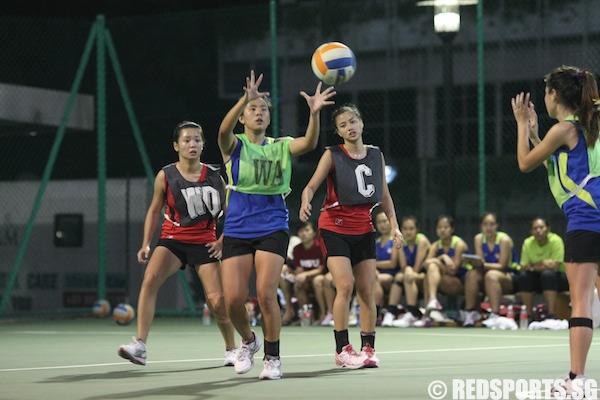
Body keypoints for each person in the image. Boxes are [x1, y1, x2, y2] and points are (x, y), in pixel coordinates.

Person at [217, 70, 335, 380]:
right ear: (243, 117)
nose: (259, 112)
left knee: (266, 293)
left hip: (272, 225)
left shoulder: (280, 145)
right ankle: (249, 341)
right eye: (253, 109)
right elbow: (221, 130)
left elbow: (309, 143)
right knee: (232, 301)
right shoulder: (235, 146)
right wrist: (246, 96)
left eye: (264, 109)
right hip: (238, 228)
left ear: (269, 118)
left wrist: (313, 113)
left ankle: (272, 357)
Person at [118, 121, 237, 366]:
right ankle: (140, 345)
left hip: (205, 244)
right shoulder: (166, 175)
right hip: (173, 241)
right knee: (150, 279)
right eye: (186, 140)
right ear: (176, 145)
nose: (192, 144)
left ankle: (232, 348)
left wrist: (223, 241)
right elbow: (154, 211)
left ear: (203, 145)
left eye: (197, 140)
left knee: (217, 301)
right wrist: (146, 244)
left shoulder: (215, 177)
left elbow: (233, 213)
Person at [512, 65, 600, 392]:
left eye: (546, 90)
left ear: (554, 95)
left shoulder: (563, 129)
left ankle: (576, 379)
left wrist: (522, 126)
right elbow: (564, 169)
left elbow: (524, 163)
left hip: (586, 224)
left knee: (581, 303)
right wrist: (537, 134)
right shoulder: (590, 126)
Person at [299, 103, 403, 369]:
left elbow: (384, 196)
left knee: (368, 290)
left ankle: (368, 348)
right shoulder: (333, 155)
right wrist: (305, 200)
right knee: (345, 285)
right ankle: (342, 349)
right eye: (343, 124)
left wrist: (395, 226)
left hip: (363, 228)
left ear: (362, 123)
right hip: (334, 227)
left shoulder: (376, 155)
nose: (350, 127)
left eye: (353, 121)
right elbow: (311, 185)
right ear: (338, 131)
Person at [463, 213, 520, 327]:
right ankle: (470, 312)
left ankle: (495, 314)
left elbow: (502, 266)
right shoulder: (479, 239)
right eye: (485, 224)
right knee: (471, 274)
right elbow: (480, 263)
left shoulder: (504, 240)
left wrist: (483, 265)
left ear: (497, 225)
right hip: (487, 275)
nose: (488, 228)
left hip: (509, 277)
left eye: (492, 224)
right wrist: (473, 263)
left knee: (491, 275)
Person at [417, 216, 468, 327]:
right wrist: (441, 258)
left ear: (452, 229)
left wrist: (437, 261)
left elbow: (454, 271)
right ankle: (429, 310)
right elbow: (426, 264)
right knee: (429, 272)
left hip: (460, 284)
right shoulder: (436, 245)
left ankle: (431, 305)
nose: (442, 230)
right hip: (444, 282)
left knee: (432, 267)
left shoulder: (459, 244)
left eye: (446, 227)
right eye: (439, 227)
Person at [279, 221, 329, 325]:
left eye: (307, 230)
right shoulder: (297, 249)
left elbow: (320, 269)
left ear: (314, 233)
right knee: (297, 285)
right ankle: (303, 314)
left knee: (317, 281)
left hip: (319, 278)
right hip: (305, 280)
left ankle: (323, 314)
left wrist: (305, 275)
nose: (304, 233)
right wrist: (295, 275)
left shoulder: (319, 246)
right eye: (301, 231)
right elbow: (299, 269)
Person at [518, 217, 567, 320]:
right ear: (531, 231)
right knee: (524, 277)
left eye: (541, 227)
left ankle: (551, 314)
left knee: (547, 275)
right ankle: (529, 315)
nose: (538, 231)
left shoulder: (556, 240)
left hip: (558, 278)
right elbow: (524, 267)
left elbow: (555, 266)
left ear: (548, 229)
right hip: (537, 278)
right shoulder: (528, 243)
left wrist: (533, 266)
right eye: (535, 228)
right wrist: (543, 263)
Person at [392, 216, 431, 327]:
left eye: (411, 228)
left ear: (417, 229)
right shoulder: (402, 241)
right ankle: (393, 312)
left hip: (425, 277)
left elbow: (417, 268)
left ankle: (413, 313)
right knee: (403, 275)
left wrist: (408, 270)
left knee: (407, 275)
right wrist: (408, 270)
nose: (408, 232)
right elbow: (404, 266)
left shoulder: (421, 240)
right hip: (412, 276)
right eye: (405, 229)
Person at [372, 210, 402, 327]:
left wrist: (375, 265)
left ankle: (384, 312)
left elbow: (392, 263)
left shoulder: (395, 239)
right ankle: (375, 314)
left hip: (393, 276)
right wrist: (373, 269)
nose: (382, 225)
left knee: (375, 279)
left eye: (385, 221)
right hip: (377, 275)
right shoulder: (376, 242)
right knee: (372, 278)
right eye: (379, 222)